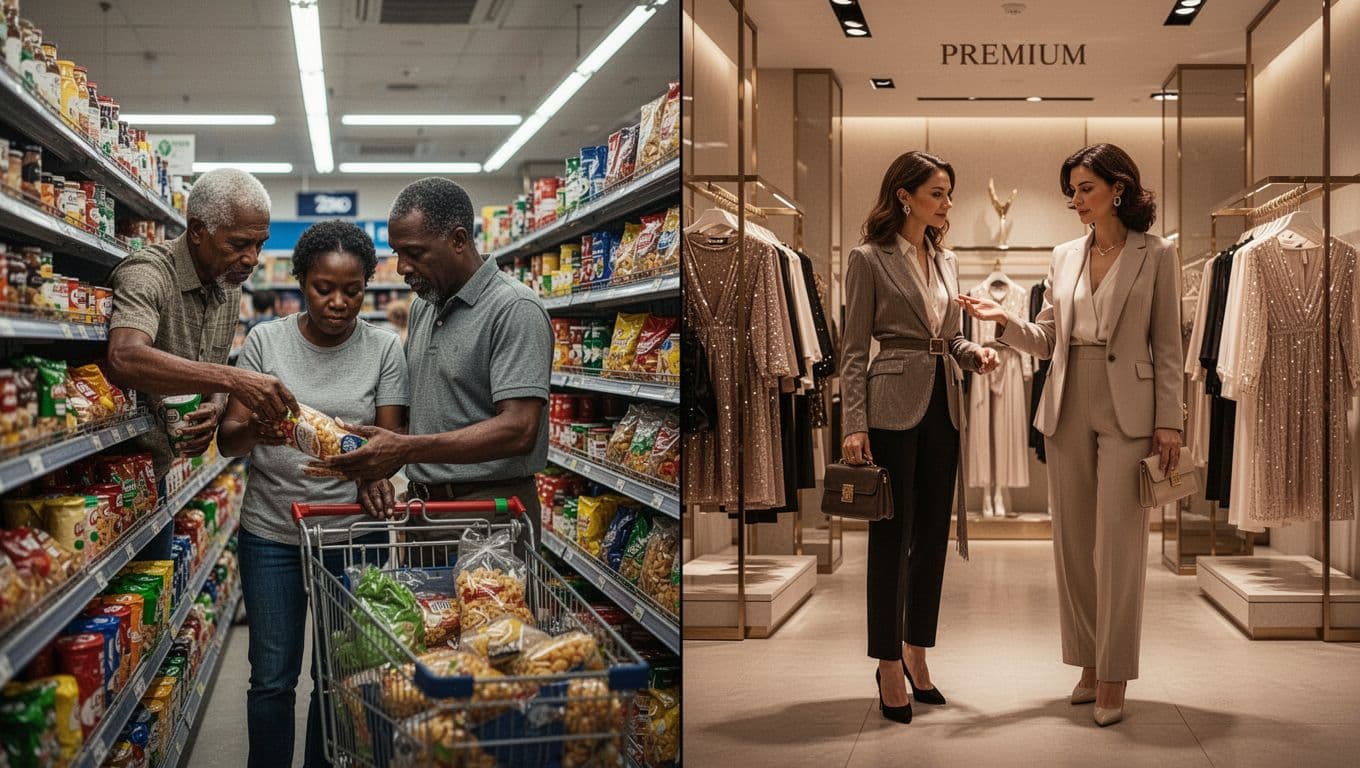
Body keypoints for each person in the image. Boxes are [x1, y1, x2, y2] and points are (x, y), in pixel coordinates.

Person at [957, 143, 1184, 727]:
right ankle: (1086, 660)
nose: (1076, 200)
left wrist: (1171, 419)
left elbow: (1167, 346)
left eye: (1086, 188)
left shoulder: (1156, 255)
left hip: (1131, 408)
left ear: (1118, 189)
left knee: (1119, 545)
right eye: (1072, 191)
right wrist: (1003, 321)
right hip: (1067, 399)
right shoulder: (1063, 256)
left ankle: (1114, 672)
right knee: (1073, 546)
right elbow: (1047, 338)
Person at [216, 220, 408, 768]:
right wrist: (259, 429)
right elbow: (229, 441)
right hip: (273, 532)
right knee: (273, 678)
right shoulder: (264, 341)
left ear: (369, 285)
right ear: (301, 280)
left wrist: (374, 478)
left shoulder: (383, 350)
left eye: (353, 290)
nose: (339, 302)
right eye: (325, 288)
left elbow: (385, 444)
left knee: (339, 675)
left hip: (353, 537)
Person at [841, 151, 998, 725]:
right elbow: (854, 350)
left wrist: (973, 353)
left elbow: (948, 337)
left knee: (932, 536)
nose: (947, 203)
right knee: (891, 536)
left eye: (948, 194)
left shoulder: (947, 259)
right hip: (889, 405)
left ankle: (917, 651)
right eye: (938, 193)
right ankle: (886, 661)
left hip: (945, 405)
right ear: (905, 195)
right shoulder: (867, 259)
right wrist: (853, 423)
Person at [318, 178, 552, 546]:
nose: (401, 267)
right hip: (421, 510)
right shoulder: (423, 307)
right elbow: (421, 410)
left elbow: (520, 429)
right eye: (397, 252)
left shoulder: (514, 309)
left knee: (489, 606)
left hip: (491, 514)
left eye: (414, 253)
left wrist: (406, 447)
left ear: (458, 240)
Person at [106, 168, 299, 560]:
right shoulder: (149, 273)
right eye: (240, 243)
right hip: (108, 479)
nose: (252, 259)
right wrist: (235, 380)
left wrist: (213, 405)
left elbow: (210, 370)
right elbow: (124, 355)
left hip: (160, 473)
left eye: (260, 245)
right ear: (197, 230)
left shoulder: (227, 285)